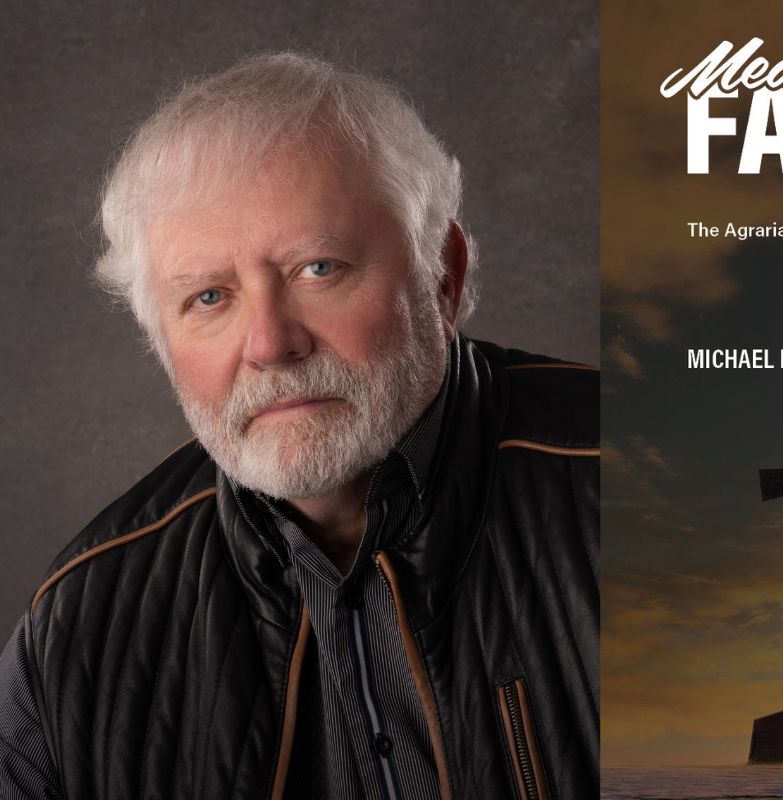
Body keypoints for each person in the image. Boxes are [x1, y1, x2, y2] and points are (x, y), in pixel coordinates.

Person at [0, 53, 598, 799]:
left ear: (442, 275)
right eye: (210, 297)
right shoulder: (79, 625)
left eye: (319, 269)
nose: (269, 345)